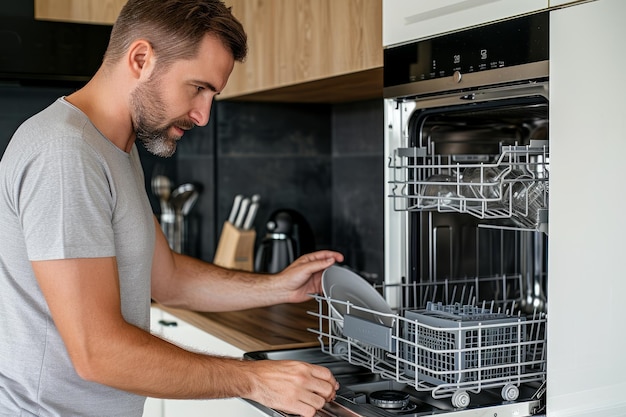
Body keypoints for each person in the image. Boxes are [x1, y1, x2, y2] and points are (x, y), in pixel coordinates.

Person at [0, 1, 343, 416]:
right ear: (141, 59)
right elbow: (97, 351)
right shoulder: (65, 153)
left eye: (212, 94)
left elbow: (168, 279)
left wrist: (279, 286)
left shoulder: (113, 150)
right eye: (197, 87)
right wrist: (256, 380)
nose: (203, 115)